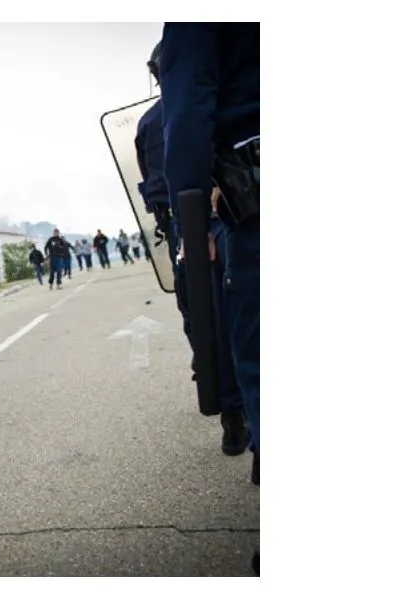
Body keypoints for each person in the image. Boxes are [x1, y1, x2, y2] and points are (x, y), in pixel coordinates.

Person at [158, 21, 260, 574]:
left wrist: (190, 222)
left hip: (248, 195)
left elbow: (189, 114)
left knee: (254, 354)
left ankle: (237, 423)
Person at [135, 43, 248, 456]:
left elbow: (152, 190)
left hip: (189, 227)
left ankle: (230, 416)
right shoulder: (215, 98)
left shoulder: (148, 124)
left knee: (202, 321)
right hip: (224, 213)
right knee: (241, 321)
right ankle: (247, 422)